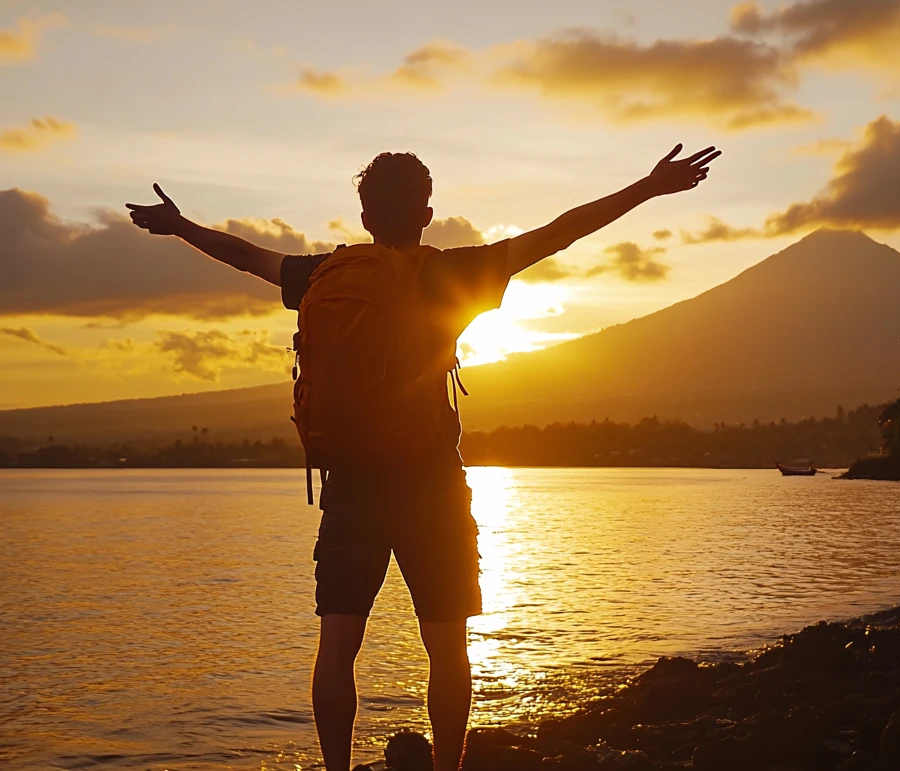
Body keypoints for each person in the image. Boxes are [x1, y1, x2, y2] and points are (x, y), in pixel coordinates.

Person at [126, 143, 720, 771]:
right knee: (445, 647)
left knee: (338, 645)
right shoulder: (450, 272)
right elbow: (557, 234)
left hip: (351, 482)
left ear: (364, 217)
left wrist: (180, 226)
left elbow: (246, 256)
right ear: (427, 213)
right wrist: (646, 188)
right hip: (430, 483)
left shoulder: (323, 274)